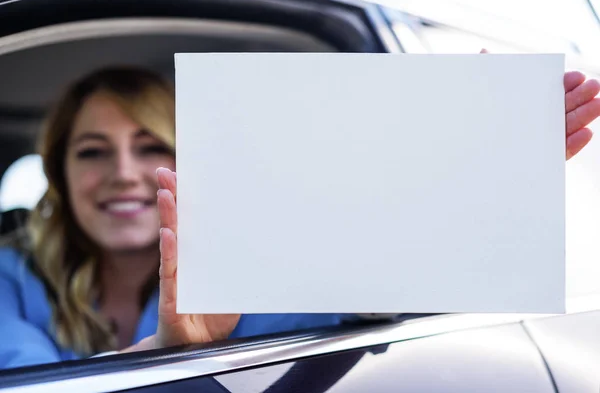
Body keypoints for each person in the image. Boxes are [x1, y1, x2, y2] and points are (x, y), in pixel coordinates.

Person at [0, 58, 598, 369]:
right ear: (58, 173)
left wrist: (449, 183)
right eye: (92, 152)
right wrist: (159, 351)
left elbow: (373, 288)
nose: (124, 172)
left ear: (196, 162)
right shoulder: (9, 276)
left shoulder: (266, 256)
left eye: (152, 145)